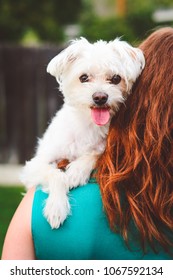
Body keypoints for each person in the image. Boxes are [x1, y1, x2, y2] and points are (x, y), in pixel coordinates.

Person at [1, 27, 173, 260]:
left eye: (114, 80)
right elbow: (38, 166)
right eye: (85, 79)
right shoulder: (66, 131)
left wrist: (87, 162)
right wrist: (58, 187)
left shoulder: (33, 209)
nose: (100, 92)